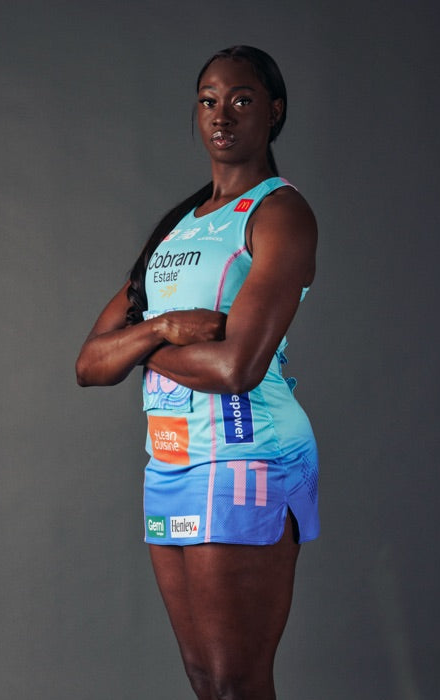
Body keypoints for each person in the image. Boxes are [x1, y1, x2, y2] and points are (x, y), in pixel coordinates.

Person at [76, 45, 319, 700]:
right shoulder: (176, 229)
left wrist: (137, 345)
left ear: (274, 111)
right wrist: (160, 329)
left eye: (241, 99)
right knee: (206, 680)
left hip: (244, 455)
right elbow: (90, 363)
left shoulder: (279, 213)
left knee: (237, 682)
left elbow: (237, 366)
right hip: (170, 460)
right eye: (209, 100)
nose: (222, 114)